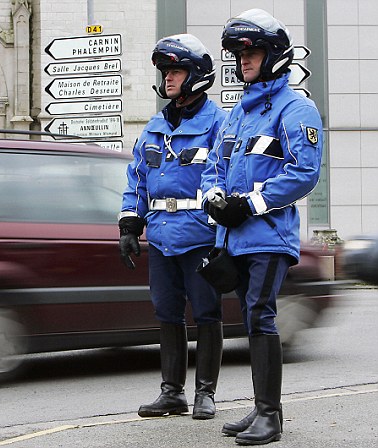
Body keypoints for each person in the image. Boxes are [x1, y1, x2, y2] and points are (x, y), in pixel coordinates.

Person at [201, 9, 323, 445]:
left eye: (250, 51)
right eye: (237, 53)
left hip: (269, 237)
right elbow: (215, 163)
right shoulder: (237, 114)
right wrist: (214, 199)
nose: (242, 59)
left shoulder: (297, 108)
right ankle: (259, 408)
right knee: (251, 319)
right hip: (232, 237)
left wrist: (249, 204)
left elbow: (304, 172)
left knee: (261, 315)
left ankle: (270, 415)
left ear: (274, 54)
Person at [119, 34, 227, 420]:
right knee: (167, 313)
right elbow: (137, 178)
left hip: (200, 237)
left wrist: (223, 236)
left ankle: (205, 394)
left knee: (206, 313)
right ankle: (172, 393)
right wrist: (130, 223)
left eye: (176, 70)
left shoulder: (219, 124)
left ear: (196, 75)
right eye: (166, 71)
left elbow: (227, 178)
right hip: (162, 237)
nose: (168, 77)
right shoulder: (153, 127)